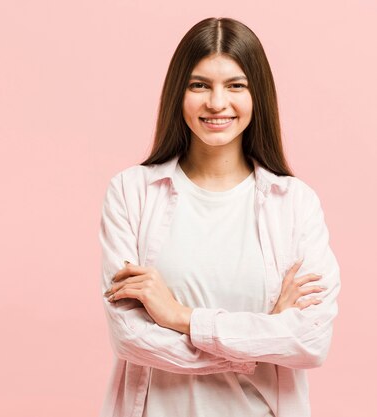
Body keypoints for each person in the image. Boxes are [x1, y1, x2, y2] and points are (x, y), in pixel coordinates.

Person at [98, 17, 340, 417]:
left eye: (235, 85)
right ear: (179, 92)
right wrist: (257, 343)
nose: (216, 102)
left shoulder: (295, 203)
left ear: (257, 95)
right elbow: (130, 337)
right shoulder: (131, 193)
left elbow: (310, 341)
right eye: (199, 85)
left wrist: (178, 316)